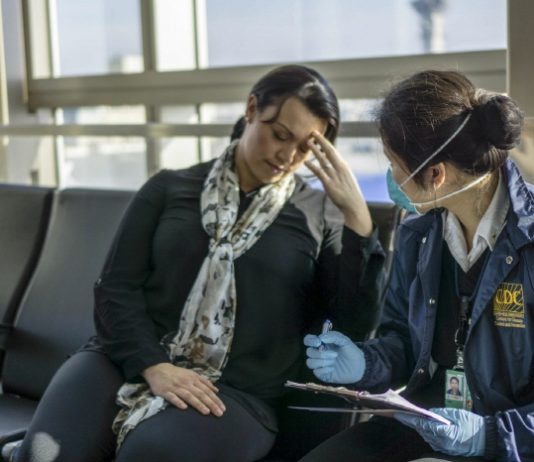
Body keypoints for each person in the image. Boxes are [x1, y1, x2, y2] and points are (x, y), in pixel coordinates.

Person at [15, 65, 384, 462]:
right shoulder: (168, 187)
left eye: (305, 149)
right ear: (251, 109)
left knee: (150, 455)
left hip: (234, 391)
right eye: (280, 135)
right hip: (124, 358)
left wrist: (358, 219)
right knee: (42, 455)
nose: (288, 156)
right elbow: (115, 289)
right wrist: (153, 366)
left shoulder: (321, 216)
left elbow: (352, 324)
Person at [301, 70, 533, 462]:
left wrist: (489, 436)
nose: (391, 177)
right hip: (428, 422)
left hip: (507, 442)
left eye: (393, 163)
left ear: (435, 174)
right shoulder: (418, 233)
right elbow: (403, 344)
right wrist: (363, 363)